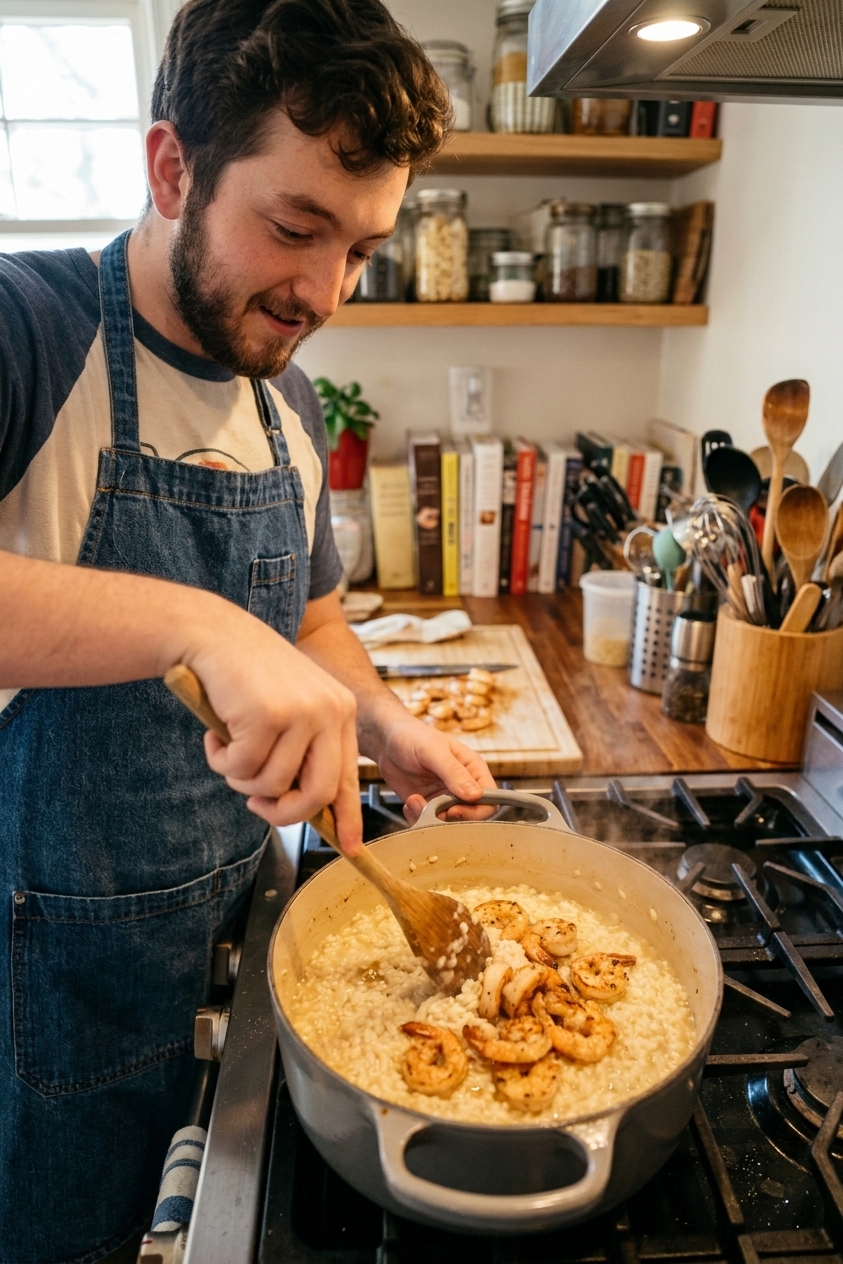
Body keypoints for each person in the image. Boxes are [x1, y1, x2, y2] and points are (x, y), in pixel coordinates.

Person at [0, 1, 496, 1257]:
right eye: (295, 229)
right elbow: (233, 629)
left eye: (364, 251)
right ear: (173, 168)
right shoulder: (28, 330)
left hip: (236, 966)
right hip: (50, 1002)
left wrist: (382, 720)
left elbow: (314, 617)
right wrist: (198, 621)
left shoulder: (288, 399)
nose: (326, 292)